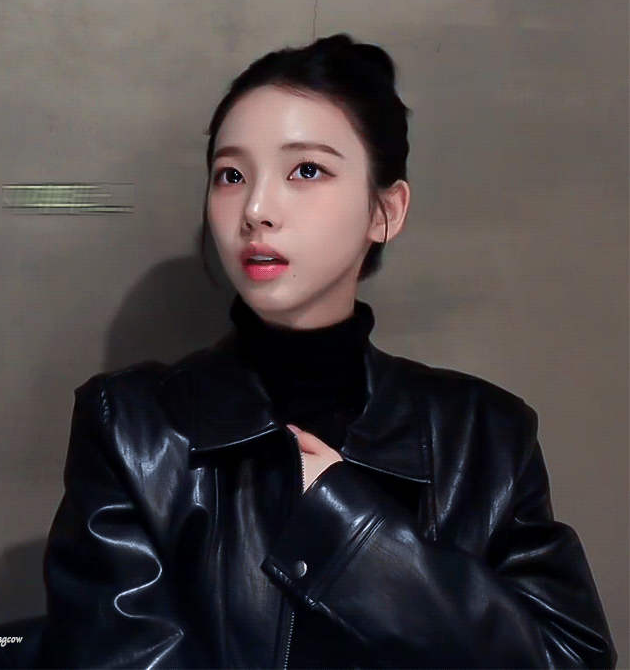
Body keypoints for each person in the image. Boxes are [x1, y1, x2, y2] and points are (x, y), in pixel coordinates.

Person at [34, 33, 616, 669]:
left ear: (385, 211)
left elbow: (569, 658)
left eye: (306, 170)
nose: (256, 209)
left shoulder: (485, 437)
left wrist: (354, 531)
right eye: (231, 175)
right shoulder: (130, 429)